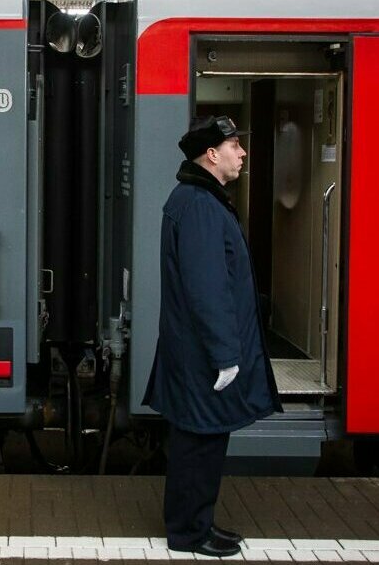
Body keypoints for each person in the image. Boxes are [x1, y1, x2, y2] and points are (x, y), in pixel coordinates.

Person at [143, 115, 281, 557]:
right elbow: (208, 289)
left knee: (205, 439)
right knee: (199, 443)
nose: (242, 154)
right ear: (211, 154)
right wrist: (226, 354)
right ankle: (187, 533)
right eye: (235, 146)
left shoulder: (199, 200)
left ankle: (197, 524)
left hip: (198, 352)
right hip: (203, 355)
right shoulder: (200, 206)